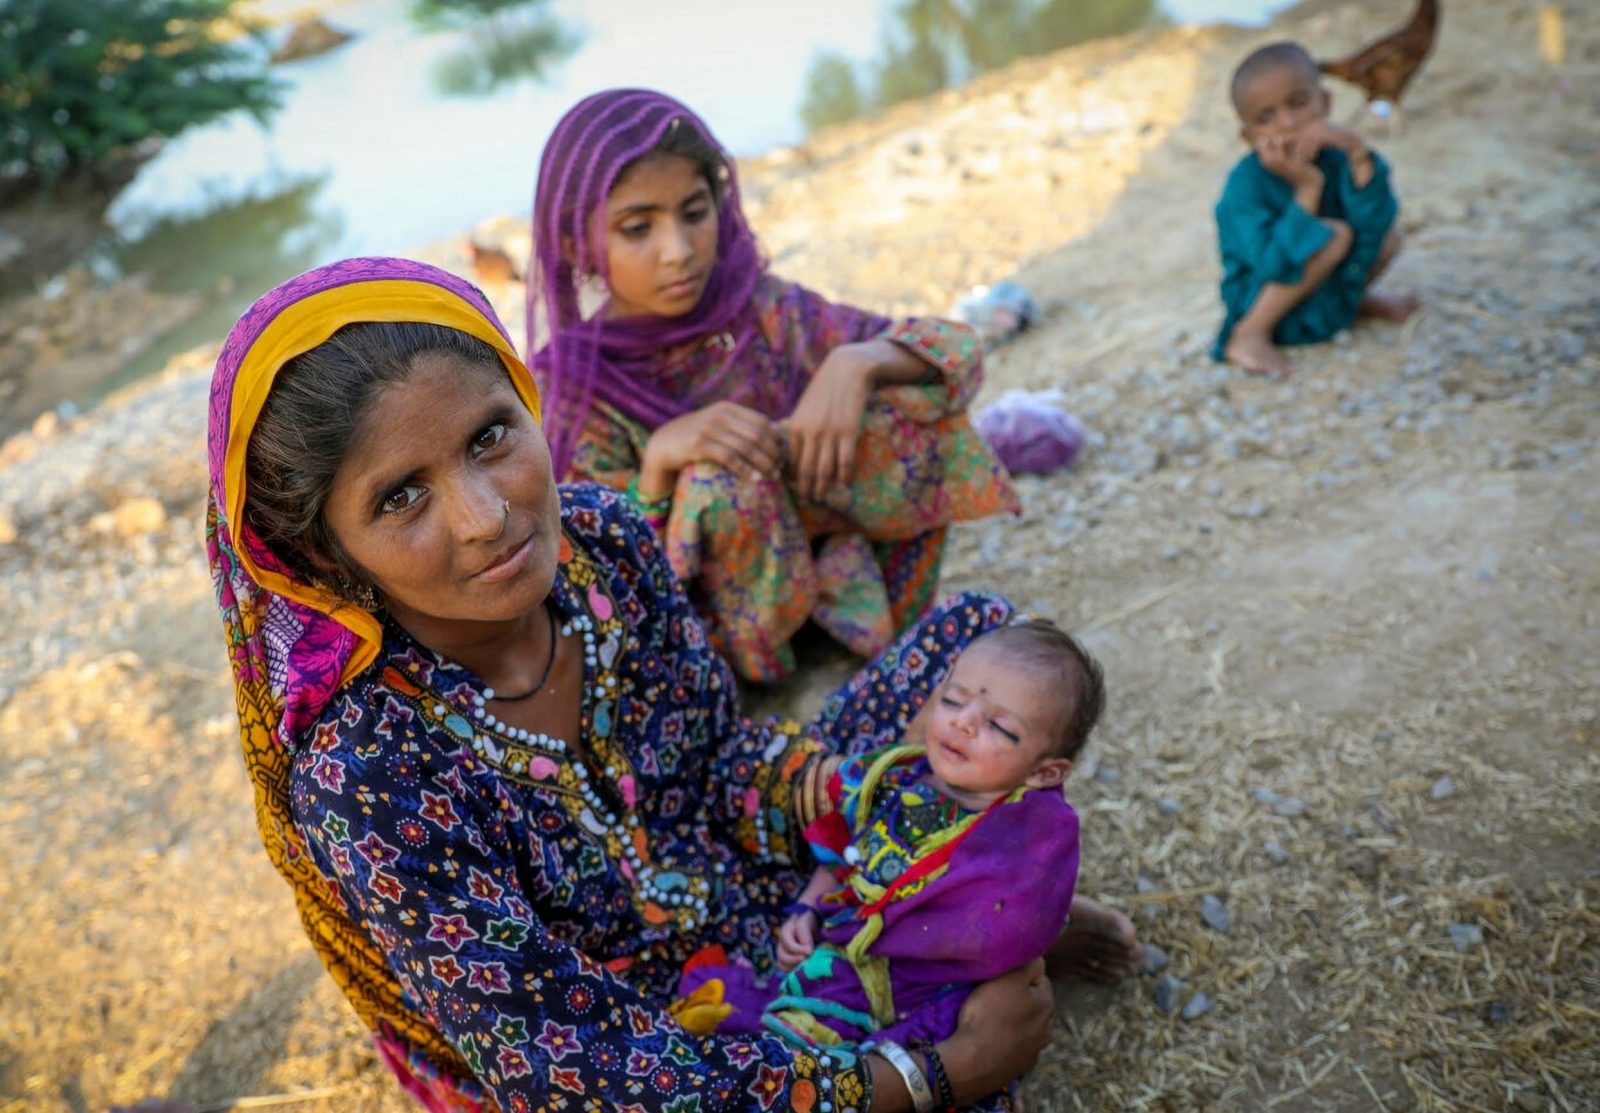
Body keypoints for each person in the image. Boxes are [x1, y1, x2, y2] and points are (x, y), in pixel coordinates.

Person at [206, 256, 1137, 1112]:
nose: (486, 516)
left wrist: (894, 836)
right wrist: (919, 1075)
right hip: (635, 1029)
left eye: (491, 435)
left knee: (977, 645)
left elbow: (722, 758)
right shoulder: (366, 769)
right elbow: (570, 1065)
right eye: (400, 496)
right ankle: (935, 944)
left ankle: (949, 903)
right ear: (321, 558)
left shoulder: (601, 540)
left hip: (749, 890)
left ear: (530, 404)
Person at [528, 89, 1019, 682]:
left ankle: (880, 628)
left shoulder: (764, 312)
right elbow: (586, 563)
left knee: (905, 401)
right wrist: (659, 466)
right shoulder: (574, 385)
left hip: (841, 574)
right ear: (577, 244)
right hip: (707, 641)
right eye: (637, 228)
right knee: (721, 478)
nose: (678, 251)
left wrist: (859, 363)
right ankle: (768, 681)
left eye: (694, 212)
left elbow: (957, 351)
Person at [678, 621, 1103, 1056]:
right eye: (953, 699)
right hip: (841, 962)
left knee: (807, 1061)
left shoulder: (1023, 846)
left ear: (1043, 773)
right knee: (740, 1013)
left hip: (924, 994)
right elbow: (847, 853)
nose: (963, 723)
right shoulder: (899, 778)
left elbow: (1008, 931)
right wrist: (808, 909)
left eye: (1001, 727)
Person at [1213, 42, 1421, 377]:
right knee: (1331, 236)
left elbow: (1375, 223)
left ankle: (1353, 301)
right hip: (1269, 305)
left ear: (1325, 102)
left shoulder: (1336, 158)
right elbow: (1271, 265)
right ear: (1249, 137)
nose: (1288, 122)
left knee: (1388, 238)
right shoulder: (1244, 185)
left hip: (1325, 295)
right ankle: (1249, 335)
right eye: (1266, 118)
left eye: (1298, 103)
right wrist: (1307, 188)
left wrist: (1356, 149)